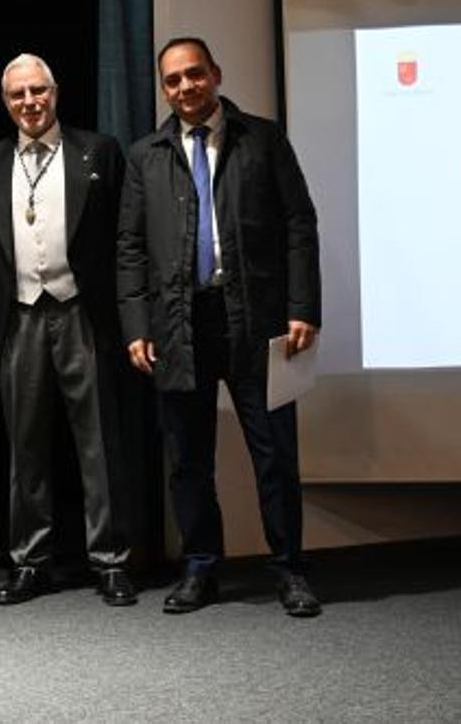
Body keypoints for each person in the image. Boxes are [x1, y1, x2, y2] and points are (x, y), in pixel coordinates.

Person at [117, 36, 323, 617]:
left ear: (216, 74)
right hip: (180, 324)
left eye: (195, 74)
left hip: (256, 321)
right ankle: (201, 567)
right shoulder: (146, 154)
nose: (185, 87)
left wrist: (302, 305)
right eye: (173, 79)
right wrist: (137, 322)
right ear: (164, 88)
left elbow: (298, 224)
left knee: (275, 453)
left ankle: (289, 570)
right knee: (188, 458)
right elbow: (129, 245)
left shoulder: (264, 138)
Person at [0, 54, 135, 607]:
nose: (29, 102)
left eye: (38, 91)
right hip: (19, 316)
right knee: (25, 445)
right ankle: (29, 561)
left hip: (80, 310)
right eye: (18, 94)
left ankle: (109, 560)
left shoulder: (98, 151)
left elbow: (121, 236)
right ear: (5, 102)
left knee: (98, 442)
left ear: (56, 93)